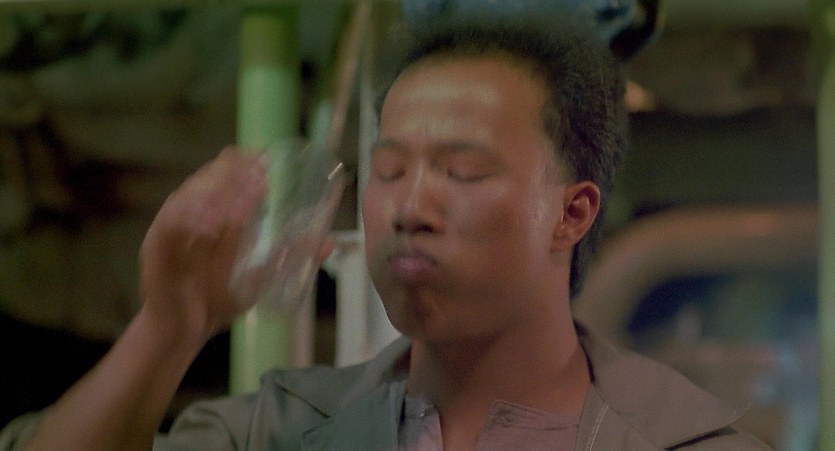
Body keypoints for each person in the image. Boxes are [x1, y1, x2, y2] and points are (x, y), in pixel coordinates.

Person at [0, 19, 770, 451]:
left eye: (461, 171)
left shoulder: (678, 441)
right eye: (390, 170)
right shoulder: (283, 430)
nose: (407, 207)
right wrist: (170, 325)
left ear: (570, 213)